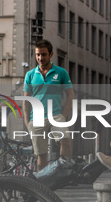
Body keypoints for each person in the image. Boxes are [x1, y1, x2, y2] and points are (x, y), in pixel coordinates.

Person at [23, 40, 74, 170]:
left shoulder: (61, 72)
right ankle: (43, 183)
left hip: (56, 115)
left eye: (44, 54)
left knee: (66, 141)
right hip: (36, 118)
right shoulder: (30, 75)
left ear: (51, 54)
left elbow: (70, 95)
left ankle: (64, 171)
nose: (40, 58)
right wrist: (27, 122)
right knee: (41, 155)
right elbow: (26, 100)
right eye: (38, 54)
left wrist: (64, 115)